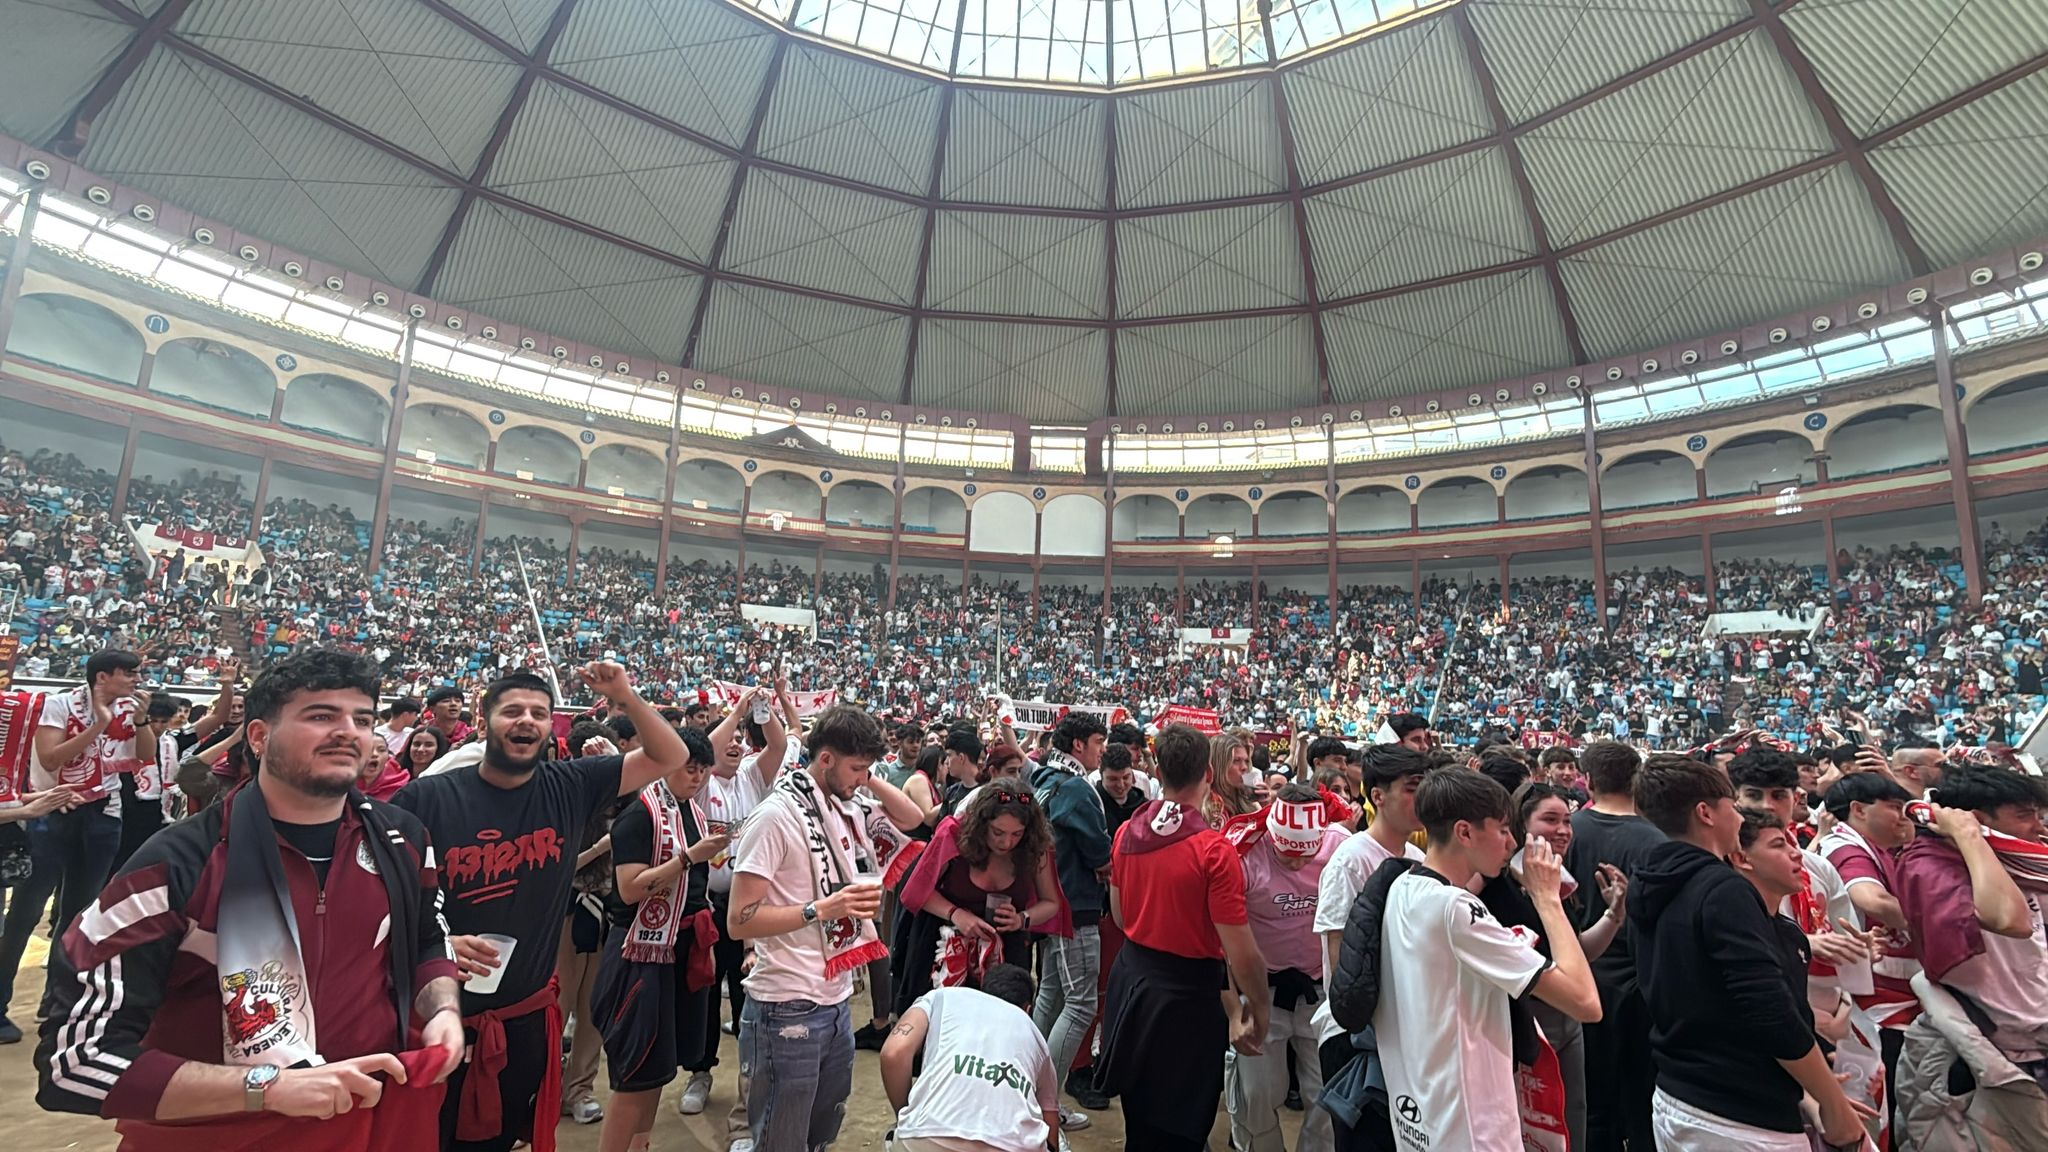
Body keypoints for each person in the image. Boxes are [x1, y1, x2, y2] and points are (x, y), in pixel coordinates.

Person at [36, 649, 464, 1150]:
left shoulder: (403, 838)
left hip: (366, 1130)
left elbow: (429, 942)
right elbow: (75, 1065)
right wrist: (267, 1088)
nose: (349, 731)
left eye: (362, 718)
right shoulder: (176, 864)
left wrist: (443, 1011)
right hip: (215, 1138)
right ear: (259, 737)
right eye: (321, 715)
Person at [393, 661, 689, 1152]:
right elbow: (380, 900)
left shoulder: (569, 785)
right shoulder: (424, 797)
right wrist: (439, 944)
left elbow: (670, 754)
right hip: (435, 1015)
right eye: (512, 711)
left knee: (505, 1138)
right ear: (484, 724)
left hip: (524, 1019)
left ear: (552, 728)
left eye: (538, 712)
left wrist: (625, 695)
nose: (526, 720)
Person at [1331, 769, 1600, 1152]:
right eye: (1503, 829)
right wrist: (1547, 899)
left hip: (1418, 1115)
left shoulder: (1404, 884)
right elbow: (1586, 1003)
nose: (1511, 843)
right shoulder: (1457, 909)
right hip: (1471, 1126)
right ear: (1465, 832)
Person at [1627, 754, 1873, 1150]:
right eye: (1733, 805)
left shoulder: (1651, 877)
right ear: (1706, 813)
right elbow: (1770, 1012)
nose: (1741, 816)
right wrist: (1831, 1103)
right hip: (1739, 1111)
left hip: (1681, 1093)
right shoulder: (1722, 888)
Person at [726, 704, 925, 1152]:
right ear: (826, 759)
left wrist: (866, 775)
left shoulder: (845, 805)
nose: (863, 779)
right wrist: (822, 908)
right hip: (784, 1002)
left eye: (869, 770)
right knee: (781, 1138)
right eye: (857, 767)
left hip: (834, 998)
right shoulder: (776, 816)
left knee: (819, 1133)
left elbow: (912, 819)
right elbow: (739, 920)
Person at [1099, 722, 1269, 1152]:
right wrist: (1258, 1009)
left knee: (1141, 1116)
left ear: (1157, 768)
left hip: (1134, 980)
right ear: (1209, 774)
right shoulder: (1213, 850)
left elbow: (1120, 915)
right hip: (1187, 996)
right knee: (1182, 1124)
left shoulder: (1127, 832)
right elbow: (1242, 954)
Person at [1891, 762, 2048, 1143]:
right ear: (1976, 820)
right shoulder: (1928, 864)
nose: (2039, 827)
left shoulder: (2022, 862)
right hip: (1990, 1058)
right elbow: (2009, 919)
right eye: (2025, 816)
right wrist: (1970, 838)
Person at [591, 726, 724, 1152]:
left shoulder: (689, 812)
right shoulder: (640, 816)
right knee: (635, 1074)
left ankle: (638, 1147)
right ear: (668, 764)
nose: (697, 777)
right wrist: (687, 858)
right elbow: (630, 889)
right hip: (640, 952)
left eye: (703, 770)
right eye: (690, 768)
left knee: (656, 1071)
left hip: (676, 947)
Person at [1481, 781, 1630, 1152]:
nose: (1563, 830)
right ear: (1520, 824)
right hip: (1520, 1021)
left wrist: (1614, 915)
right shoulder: (1490, 884)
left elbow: (1576, 955)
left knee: (1571, 1118)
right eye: (1550, 820)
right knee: (1526, 1127)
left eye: (1567, 820)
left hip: (1568, 1021)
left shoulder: (1558, 881)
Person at [6, 649, 142, 1026]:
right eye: (128, 673)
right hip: (52, 809)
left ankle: (58, 1001)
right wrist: (99, 724)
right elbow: (50, 760)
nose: (135, 680)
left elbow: (140, 759)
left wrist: (142, 721)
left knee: (79, 915)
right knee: (26, 911)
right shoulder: (59, 703)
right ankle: (0, 1003)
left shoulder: (130, 709)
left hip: (102, 812)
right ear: (102, 677)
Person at [1226, 782, 1344, 1152]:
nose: (1295, 864)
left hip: (1320, 988)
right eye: (1286, 855)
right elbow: (1218, 938)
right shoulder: (1244, 853)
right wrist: (1233, 1009)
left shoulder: (1341, 847)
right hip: (1262, 991)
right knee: (1257, 1094)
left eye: (1305, 858)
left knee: (1328, 1095)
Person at [1560, 741, 1663, 1152]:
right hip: (1637, 984)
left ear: (1589, 781)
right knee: (1641, 1102)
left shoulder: (1569, 831)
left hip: (1579, 977)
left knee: (1592, 1101)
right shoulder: (1655, 840)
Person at [1312, 744, 1427, 1096]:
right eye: (1411, 788)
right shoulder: (1350, 860)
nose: (1421, 798)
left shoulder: (1418, 857)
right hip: (1355, 1032)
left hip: (1402, 1030)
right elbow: (1338, 947)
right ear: (1377, 796)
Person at [894, 779, 1061, 1013]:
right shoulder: (953, 834)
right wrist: (956, 914)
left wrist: (1022, 918)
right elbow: (914, 892)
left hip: (1005, 953)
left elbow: (1051, 903)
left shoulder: (1034, 848)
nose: (1006, 842)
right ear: (982, 825)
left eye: (1017, 834)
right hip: (945, 948)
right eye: (998, 832)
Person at [1029, 710, 1112, 1129]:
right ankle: (1046, 1104)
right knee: (1079, 1004)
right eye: (1098, 742)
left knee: (1052, 997)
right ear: (1078, 745)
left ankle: (1028, 1092)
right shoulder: (1076, 787)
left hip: (1050, 901)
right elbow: (1099, 853)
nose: (1103, 751)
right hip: (1073, 904)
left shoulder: (1043, 777)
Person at [879, 963, 1059, 1152]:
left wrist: (906, 1115)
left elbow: (894, 1053)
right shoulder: (1035, 1036)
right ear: (1028, 1009)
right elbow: (1050, 1119)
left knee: (896, 1137)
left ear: (983, 990)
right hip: (1014, 1145)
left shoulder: (942, 997)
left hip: (926, 1136)